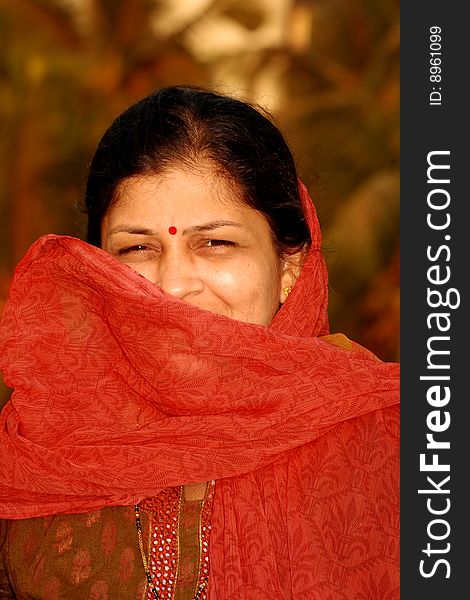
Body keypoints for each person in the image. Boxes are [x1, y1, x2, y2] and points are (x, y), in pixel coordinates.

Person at [0, 86, 399, 599]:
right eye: (137, 247)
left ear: (289, 267)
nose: (172, 285)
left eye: (214, 243)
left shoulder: (400, 451)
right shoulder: (37, 450)